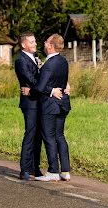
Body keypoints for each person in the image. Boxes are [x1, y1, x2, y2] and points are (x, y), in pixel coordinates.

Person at [22, 33, 71, 182]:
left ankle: (53, 171)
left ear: (50, 46)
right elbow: (62, 80)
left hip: (50, 106)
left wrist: (31, 91)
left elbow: (40, 87)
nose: (43, 43)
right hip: (63, 103)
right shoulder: (63, 61)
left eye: (46, 42)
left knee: (49, 137)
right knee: (60, 136)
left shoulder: (49, 65)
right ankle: (65, 171)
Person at [14, 31, 43, 181]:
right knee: (30, 134)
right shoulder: (21, 61)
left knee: (39, 135)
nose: (35, 44)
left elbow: (42, 75)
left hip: (39, 100)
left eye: (35, 41)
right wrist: (44, 86)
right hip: (30, 103)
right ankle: (24, 169)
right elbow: (30, 79)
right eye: (32, 42)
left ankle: (35, 167)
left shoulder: (36, 58)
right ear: (24, 45)